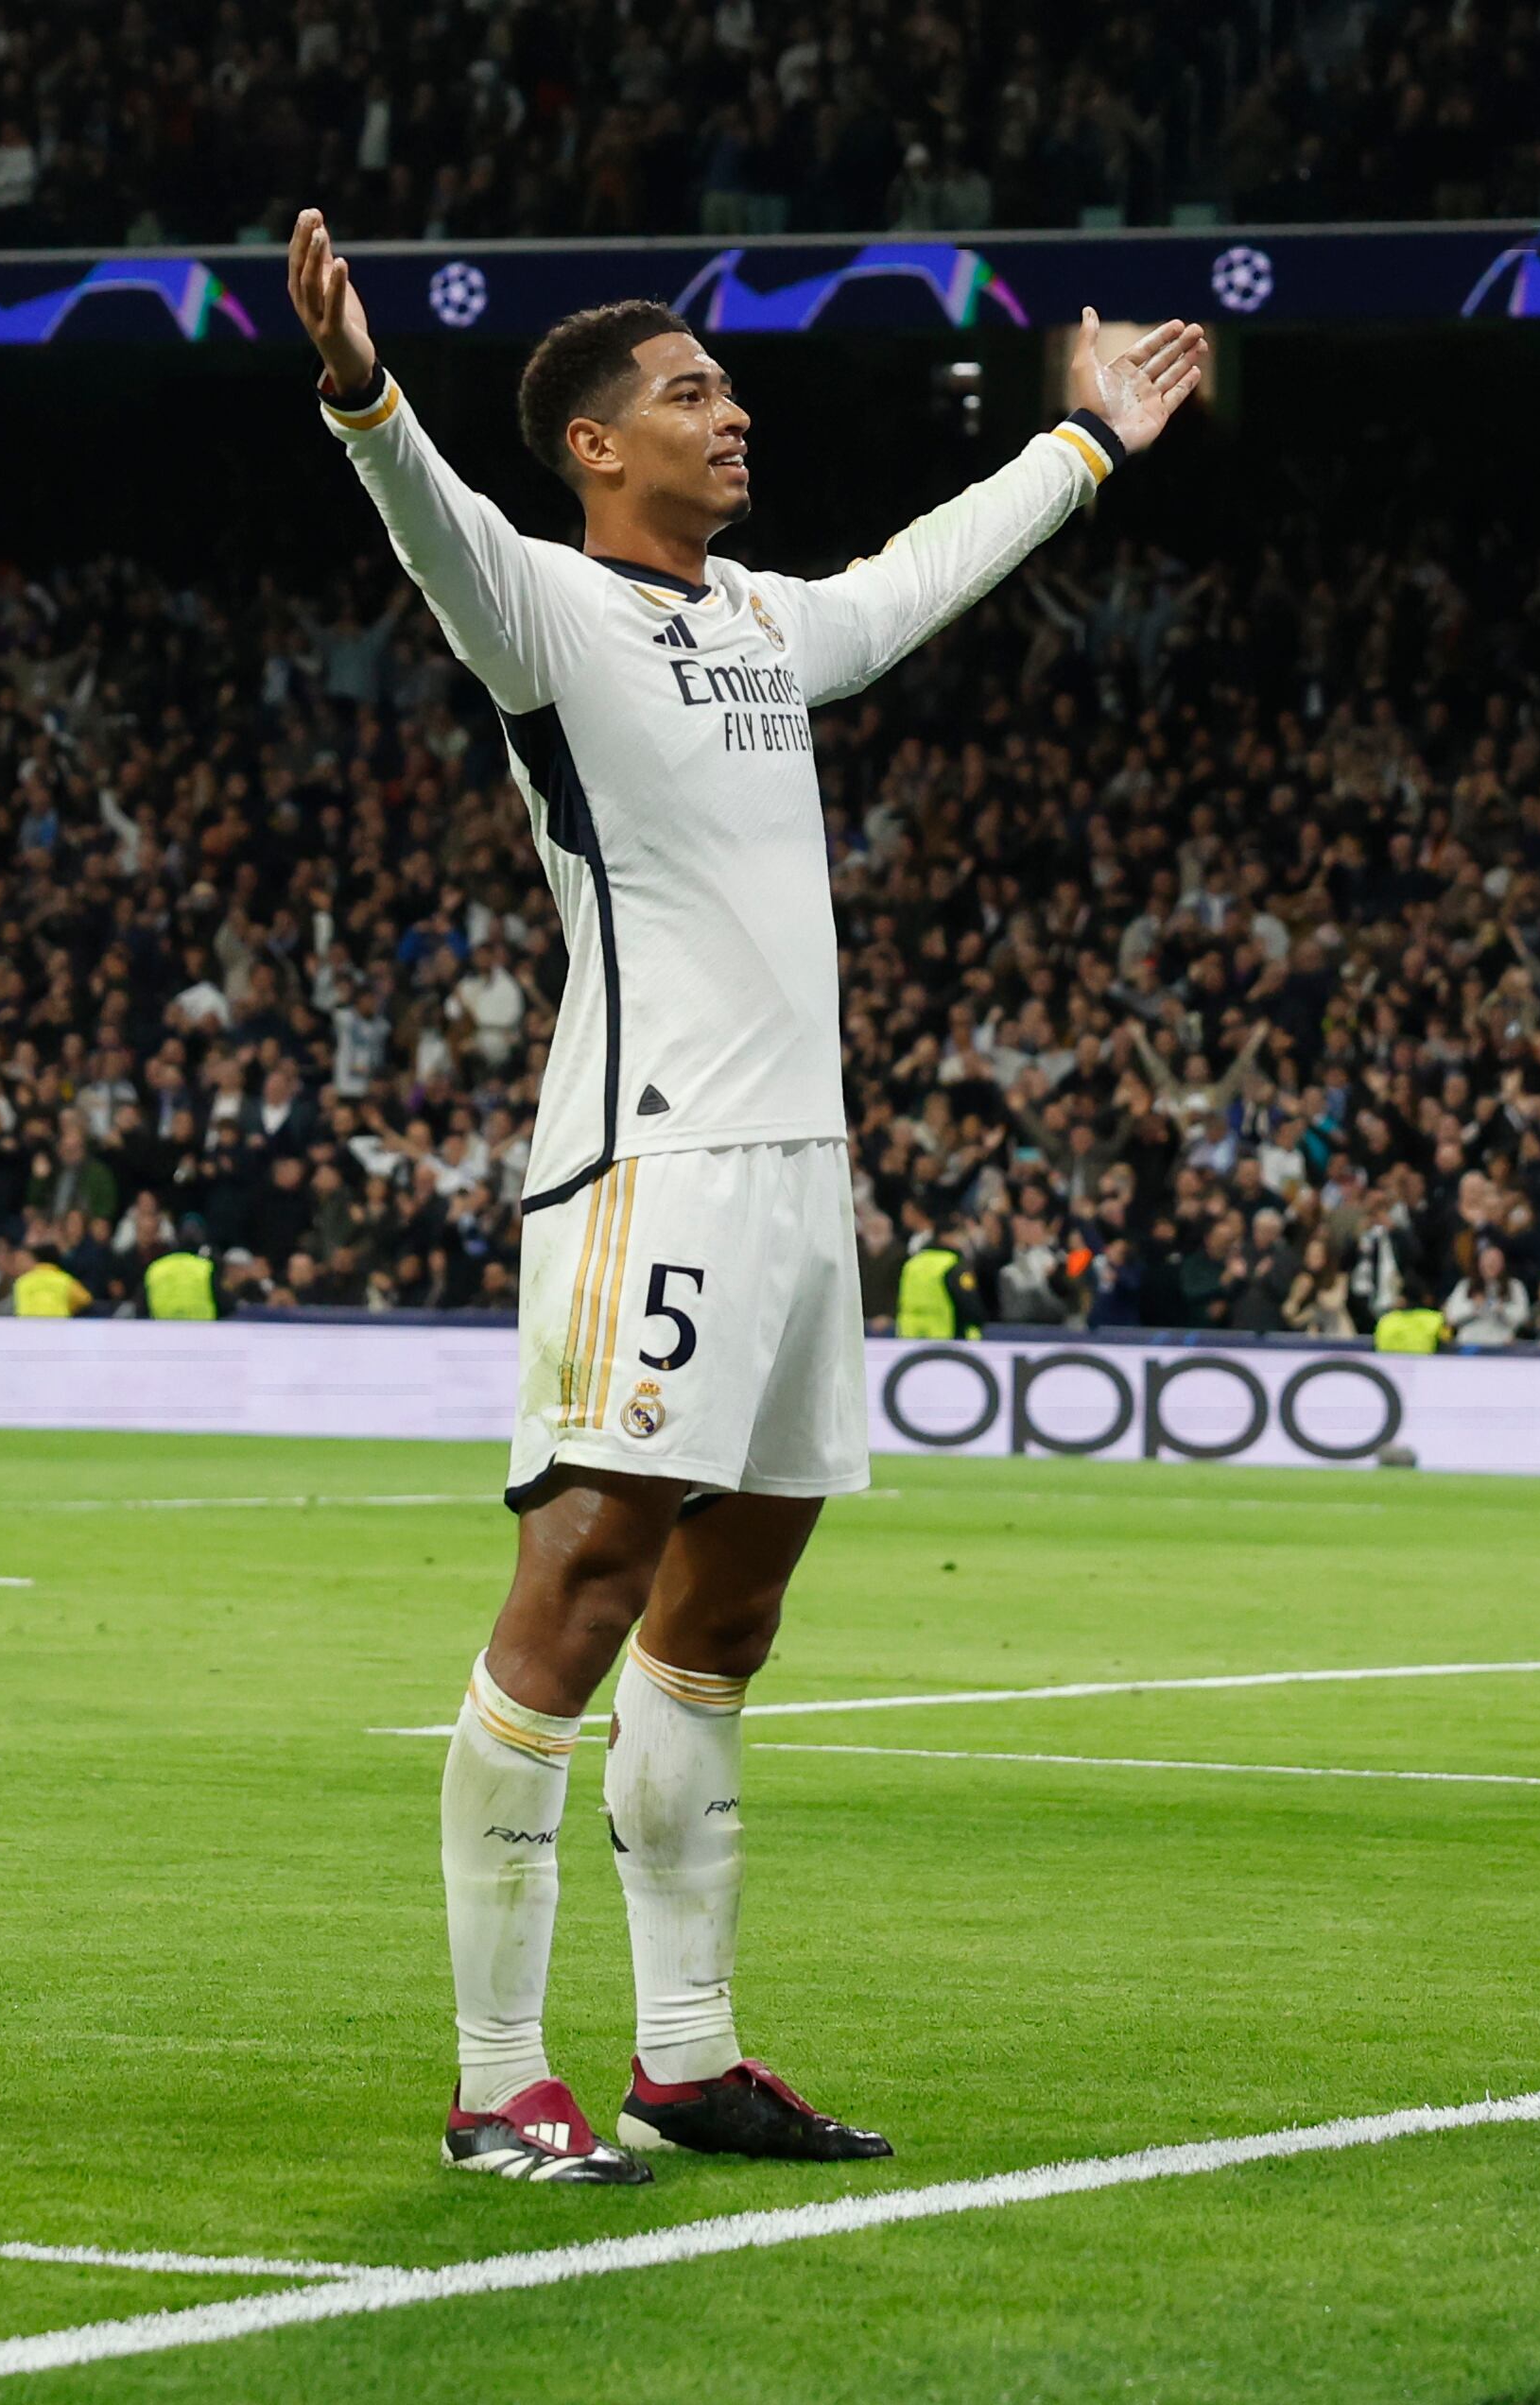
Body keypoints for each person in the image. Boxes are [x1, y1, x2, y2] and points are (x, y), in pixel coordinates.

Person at [291, 207, 1204, 2181]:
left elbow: (917, 576)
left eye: (727, 388)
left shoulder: (763, 627)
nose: (733, 414)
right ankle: (490, 2078)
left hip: (803, 1183)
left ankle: (684, 2058)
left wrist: (1086, 445)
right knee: (586, 1582)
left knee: (726, 1621)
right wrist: (364, 390)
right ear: (596, 445)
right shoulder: (540, 607)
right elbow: (429, 521)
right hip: (650, 1166)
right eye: (690, 394)